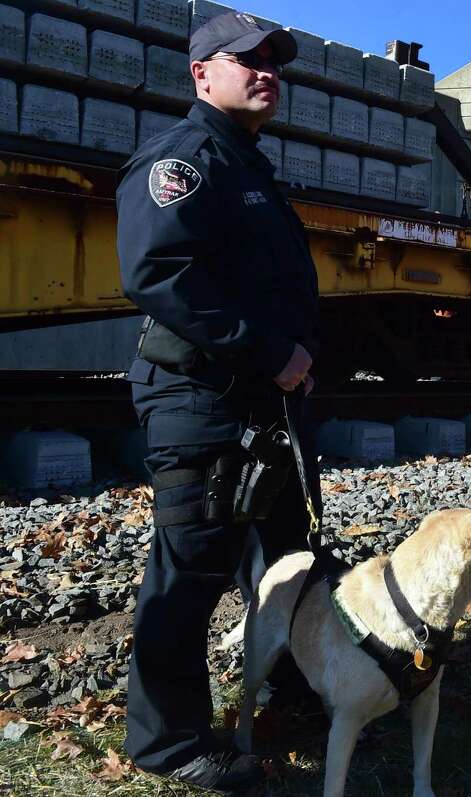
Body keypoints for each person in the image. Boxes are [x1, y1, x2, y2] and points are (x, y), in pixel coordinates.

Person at [116, 11, 320, 791]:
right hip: (203, 399)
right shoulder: (186, 159)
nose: (266, 71)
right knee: (190, 570)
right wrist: (271, 350)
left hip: (259, 406)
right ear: (201, 74)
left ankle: (294, 689)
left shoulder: (247, 165)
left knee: (284, 557)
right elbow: (158, 272)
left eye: (275, 62)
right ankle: (170, 743)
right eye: (246, 60)